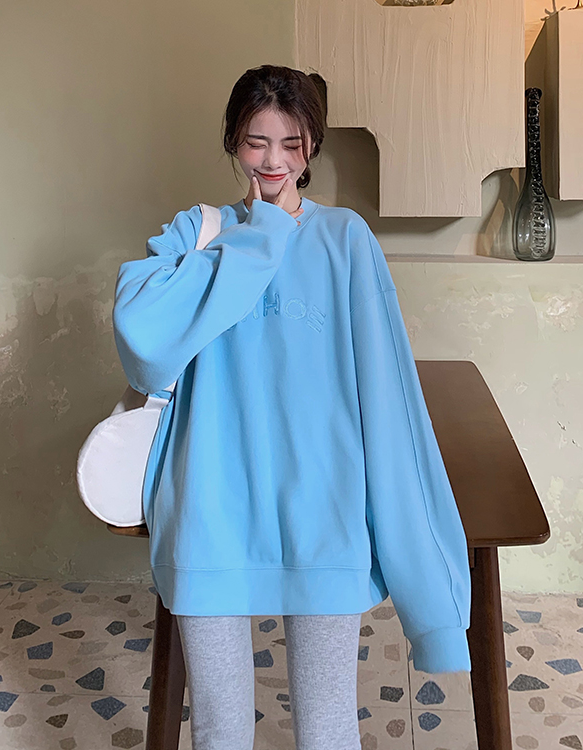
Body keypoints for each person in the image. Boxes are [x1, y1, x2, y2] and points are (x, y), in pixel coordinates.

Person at [112, 64, 471, 750]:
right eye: (256, 142)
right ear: (232, 143)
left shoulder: (345, 240)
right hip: (210, 515)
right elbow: (143, 344)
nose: (273, 161)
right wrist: (260, 235)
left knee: (327, 729)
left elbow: (390, 406)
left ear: (312, 147)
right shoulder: (198, 234)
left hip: (323, 516)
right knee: (219, 729)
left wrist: (433, 600)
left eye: (292, 143)